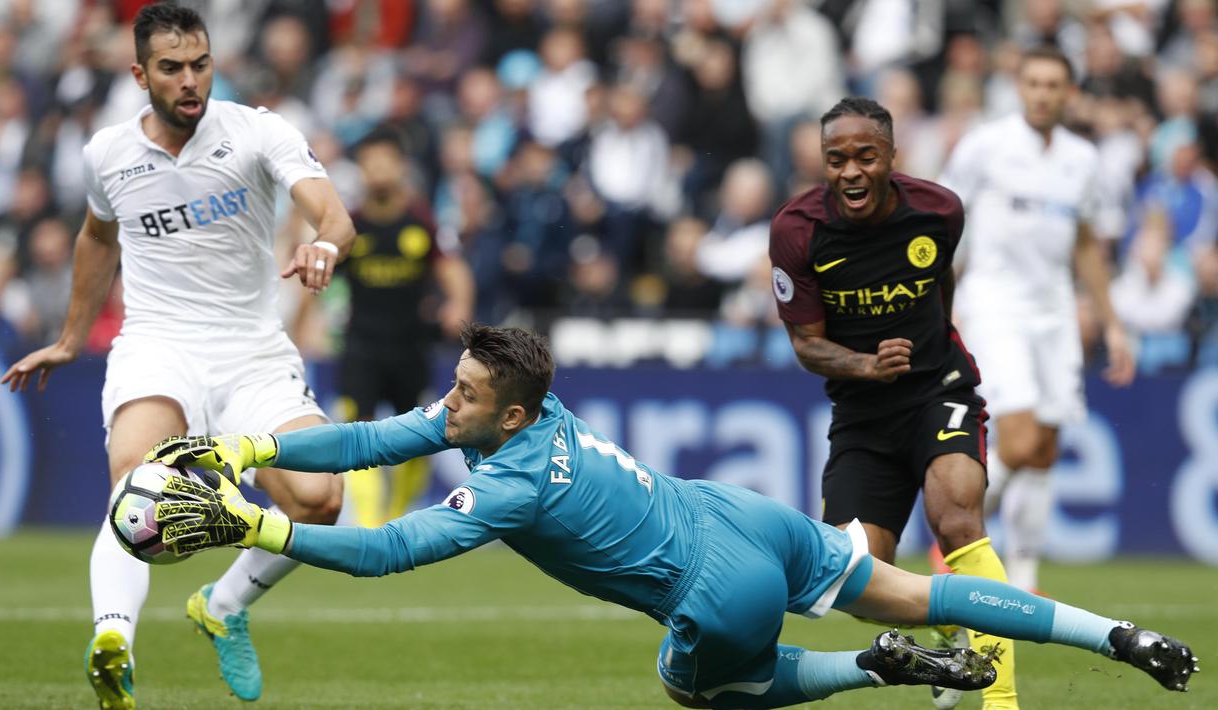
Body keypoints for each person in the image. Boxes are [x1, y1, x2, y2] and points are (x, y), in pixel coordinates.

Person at [143, 323, 1197, 708]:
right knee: (926, 589)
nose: (445, 404)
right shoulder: (528, 405)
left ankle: (865, 669)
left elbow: (385, 550)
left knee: (695, 688)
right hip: (748, 517)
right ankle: (1117, 635)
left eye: (461, 396)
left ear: (507, 410)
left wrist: (254, 524)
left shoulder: (511, 480)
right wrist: (252, 449)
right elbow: (371, 440)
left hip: (715, 583)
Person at [0, 5, 355, 709]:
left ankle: (222, 605)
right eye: (170, 68)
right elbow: (97, 239)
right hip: (159, 343)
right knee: (136, 478)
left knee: (322, 501)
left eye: (200, 64)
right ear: (139, 74)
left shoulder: (257, 130)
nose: (189, 80)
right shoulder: (108, 154)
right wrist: (71, 338)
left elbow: (332, 212)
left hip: (253, 351)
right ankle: (113, 645)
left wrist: (325, 245)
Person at [767, 96, 1019, 709]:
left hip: (939, 390)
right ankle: (942, 629)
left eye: (864, 156)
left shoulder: (938, 210)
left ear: (890, 157)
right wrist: (867, 367)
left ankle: (1002, 698)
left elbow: (943, 285)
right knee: (857, 582)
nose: (850, 171)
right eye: (836, 159)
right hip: (861, 415)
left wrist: (933, 353)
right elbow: (805, 343)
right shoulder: (796, 231)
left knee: (958, 518)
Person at [938, 46, 1136, 595]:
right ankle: (951, 530)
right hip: (995, 303)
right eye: (1034, 83)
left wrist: (1112, 321)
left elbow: (1087, 244)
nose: (1043, 94)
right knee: (1020, 442)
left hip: (1053, 310)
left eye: (1054, 85)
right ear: (1019, 87)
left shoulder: (1082, 159)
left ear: (1069, 93)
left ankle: (1023, 578)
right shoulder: (987, 146)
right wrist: (935, 303)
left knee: (1045, 448)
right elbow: (942, 224)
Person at [330, 129, 474, 527]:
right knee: (356, 433)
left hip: (410, 347)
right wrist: (305, 327)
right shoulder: (350, 225)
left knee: (416, 441)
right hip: (360, 345)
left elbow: (453, 269)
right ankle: (372, 524)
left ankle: (396, 518)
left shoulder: (422, 221)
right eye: (370, 162)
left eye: (385, 161)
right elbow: (319, 279)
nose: (377, 170)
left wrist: (457, 306)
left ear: (400, 167)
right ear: (360, 170)